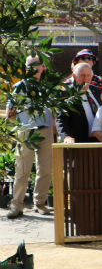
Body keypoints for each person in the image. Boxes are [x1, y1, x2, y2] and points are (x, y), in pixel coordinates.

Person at [5, 56, 55, 218]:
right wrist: (22, 125)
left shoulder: (48, 88)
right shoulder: (19, 87)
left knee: (45, 170)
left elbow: (55, 112)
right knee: (22, 169)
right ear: (25, 68)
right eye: (29, 65)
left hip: (46, 131)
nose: (33, 68)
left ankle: (40, 203)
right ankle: (17, 205)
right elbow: (9, 114)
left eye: (36, 65)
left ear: (43, 67)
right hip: (26, 132)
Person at [56, 63, 102, 144]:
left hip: (98, 140)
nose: (86, 78)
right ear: (74, 76)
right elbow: (61, 119)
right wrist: (66, 136)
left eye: (88, 75)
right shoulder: (66, 94)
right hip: (78, 142)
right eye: (82, 75)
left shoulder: (96, 91)